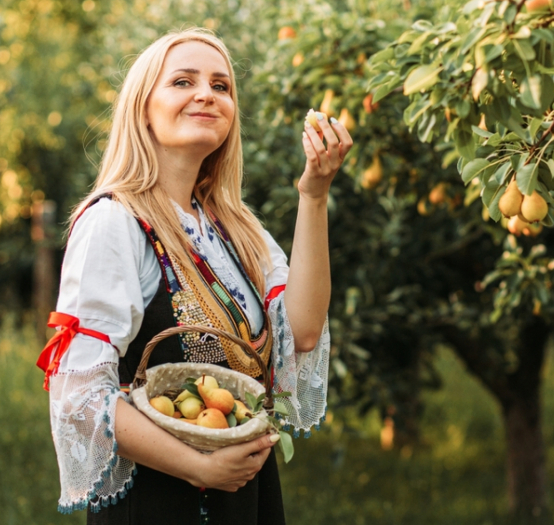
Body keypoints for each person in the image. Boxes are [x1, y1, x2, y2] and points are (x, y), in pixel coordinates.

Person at [36, 27, 352, 524]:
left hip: (244, 494)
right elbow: (80, 395)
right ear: (143, 108)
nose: (206, 93)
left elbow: (304, 331)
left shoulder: (234, 228)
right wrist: (200, 467)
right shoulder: (114, 222)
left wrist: (313, 195)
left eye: (221, 86)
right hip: (161, 499)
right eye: (183, 81)